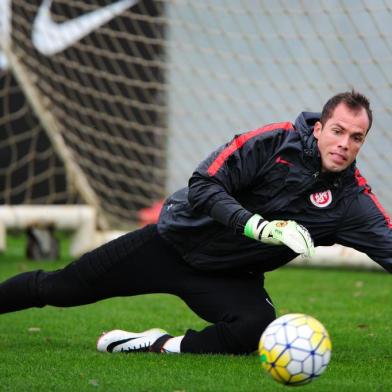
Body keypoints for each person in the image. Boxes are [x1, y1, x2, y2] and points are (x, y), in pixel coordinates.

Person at [0, 90, 391, 355]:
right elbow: (203, 185)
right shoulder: (273, 142)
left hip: (229, 276)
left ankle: (157, 344)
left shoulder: (350, 200)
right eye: (338, 131)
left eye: (356, 138)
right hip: (169, 246)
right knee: (61, 288)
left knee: (256, 328)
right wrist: (260, 227)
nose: (344, 144)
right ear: (319, 128)